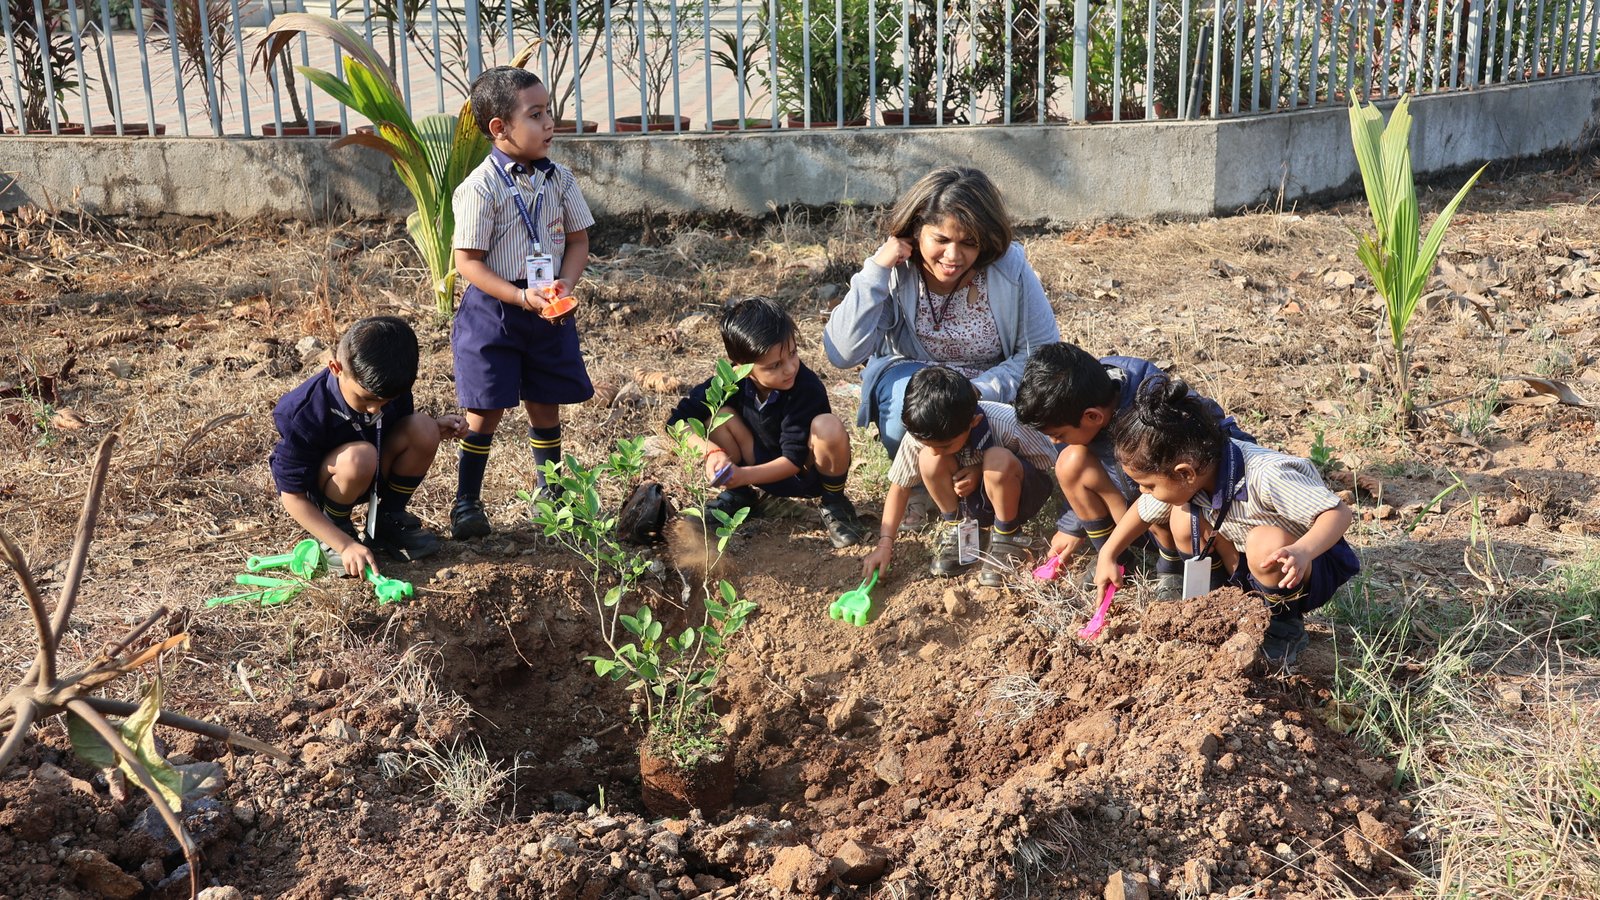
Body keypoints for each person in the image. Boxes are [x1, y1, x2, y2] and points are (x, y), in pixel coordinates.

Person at [822, 166, 1059, 525]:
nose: (953, 256)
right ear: (916, 230)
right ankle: (919, 485)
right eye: (941, 239)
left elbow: (1039, 355)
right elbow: (842, 352)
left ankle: (987, 483)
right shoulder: (896, 270)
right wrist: (876, 270)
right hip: (920, 389)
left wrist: (975, 392)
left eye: (969, 243)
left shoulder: (1008, 268)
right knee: (905, 394)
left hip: (990, 395)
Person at [1092, 377, 1359, 666]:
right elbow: (1142, 512)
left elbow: (1338, 513)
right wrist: (1108, 554)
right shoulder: (1198, 471)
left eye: (1148, 485)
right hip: (1247, 562)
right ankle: (1218, 603)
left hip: (1302, 567)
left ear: (1185, 473)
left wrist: (1302, 550)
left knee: (1264, 542)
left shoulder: (1269, 475)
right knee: (1183, 518)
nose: (1143, 491)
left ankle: (1283, 627)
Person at [448, 66, 595, 540]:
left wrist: (565, 284)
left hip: (547, 306)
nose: (549, 123)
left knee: (545, 402)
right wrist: (517, 296)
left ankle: (551, 496)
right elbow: (468, 262)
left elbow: (578, 239)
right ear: (499, 128)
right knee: (484, 409)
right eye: (535, 115)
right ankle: (467, 502)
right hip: (494, 311)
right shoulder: (480, 188)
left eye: (548, 112)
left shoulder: (560, 179)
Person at [1014, 342, 1253, 598]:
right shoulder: (1084, 393)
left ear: (1093, 416)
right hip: (1137, 515)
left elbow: (1217, 447)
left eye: (1059, 434)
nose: (1054, 442)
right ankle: (1114, 559)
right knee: (1070, 462)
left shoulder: (1159, 408)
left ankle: (1172, 566)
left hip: (1185, 515)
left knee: (1166, 488)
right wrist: (1070, 527)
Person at [269, 316, 468, 576]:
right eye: (366, 399)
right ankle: (336, 528)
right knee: (359, 458)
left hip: (373, 469)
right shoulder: (302, 411)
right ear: (336, 368)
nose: (375, 409)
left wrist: (436, 428)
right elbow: (292, 496)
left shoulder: (389, 387)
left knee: (423, 427)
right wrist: (344, 545)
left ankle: (388, 518)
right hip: (333, 481)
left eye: (386, 401)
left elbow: (397, 431)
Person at [668, 298, 866, 549]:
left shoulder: (806, 388)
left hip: (804, 476)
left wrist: (742, 475)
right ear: (742, 366)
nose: (790, 368)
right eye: (775, 365)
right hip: (753, 465)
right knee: (716, 416)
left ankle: (835, 503)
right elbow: (676, 424)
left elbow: (793, 461)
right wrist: (712, 453)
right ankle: (740, 497)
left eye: (793, 353)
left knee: (828, 427)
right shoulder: (729, 382)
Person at [861, 366, 1058, 588]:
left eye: (946, 445)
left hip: (1018, 497)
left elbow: (1047, 463)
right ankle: (962, 530)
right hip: (971, 504)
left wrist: (981, 470)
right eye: (928, 444)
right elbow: (899, 488)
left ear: (973, 422)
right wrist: (884, 544)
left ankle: (1008, 536)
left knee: (997, 459)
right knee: (929, 460)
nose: (936, 451)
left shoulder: (1007, 422)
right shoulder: (922, 433)